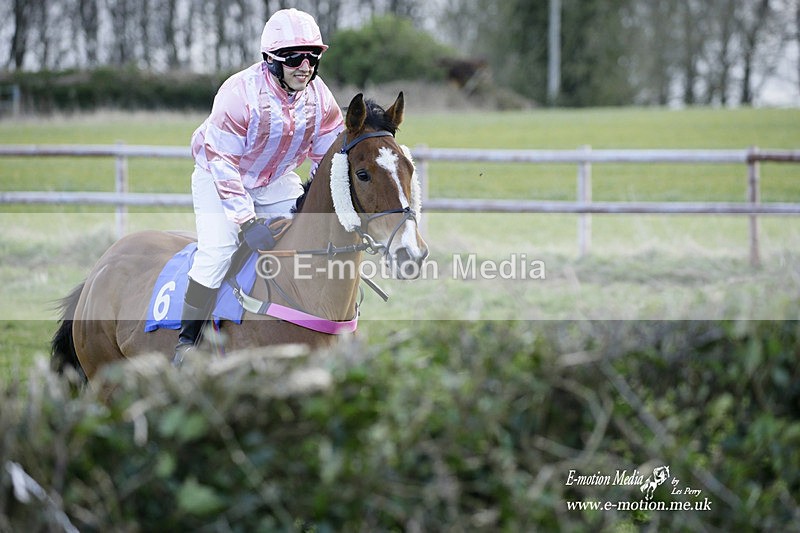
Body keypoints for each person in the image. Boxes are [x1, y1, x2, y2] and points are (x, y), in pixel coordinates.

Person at [174, 8, 344, 362]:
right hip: (219, 176)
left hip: (275, 179)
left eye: (312, 57)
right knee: (218, 251)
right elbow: (222, 164)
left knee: (308, 239)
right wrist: (247, 222)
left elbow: (328, 159)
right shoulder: (237, 94)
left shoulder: (320, 98)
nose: (305, 66)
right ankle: (187, 345)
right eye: (294, 57)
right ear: (271, 61)